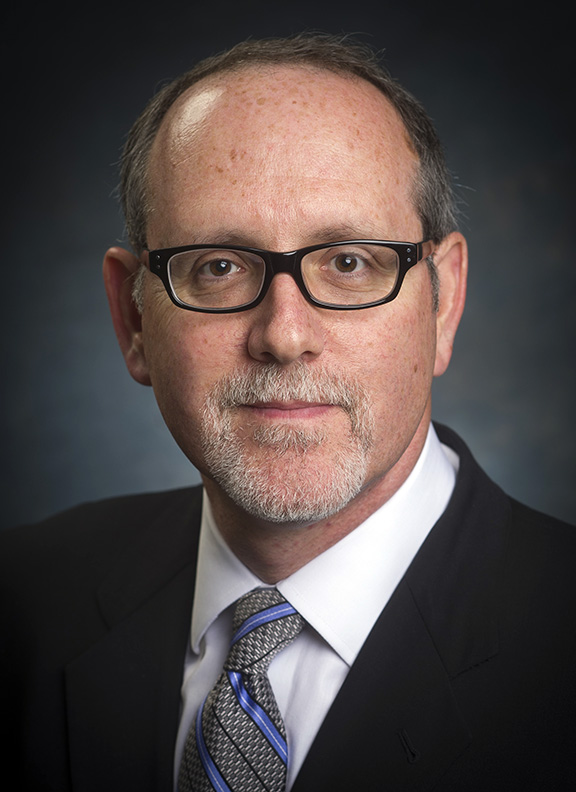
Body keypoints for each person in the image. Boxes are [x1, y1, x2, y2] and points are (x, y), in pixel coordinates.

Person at [1, 33, 575, 792]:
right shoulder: (21, 599)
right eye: (218, 266)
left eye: (348, 263)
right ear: (133, 319)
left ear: (443, 304)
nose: (283, 335)